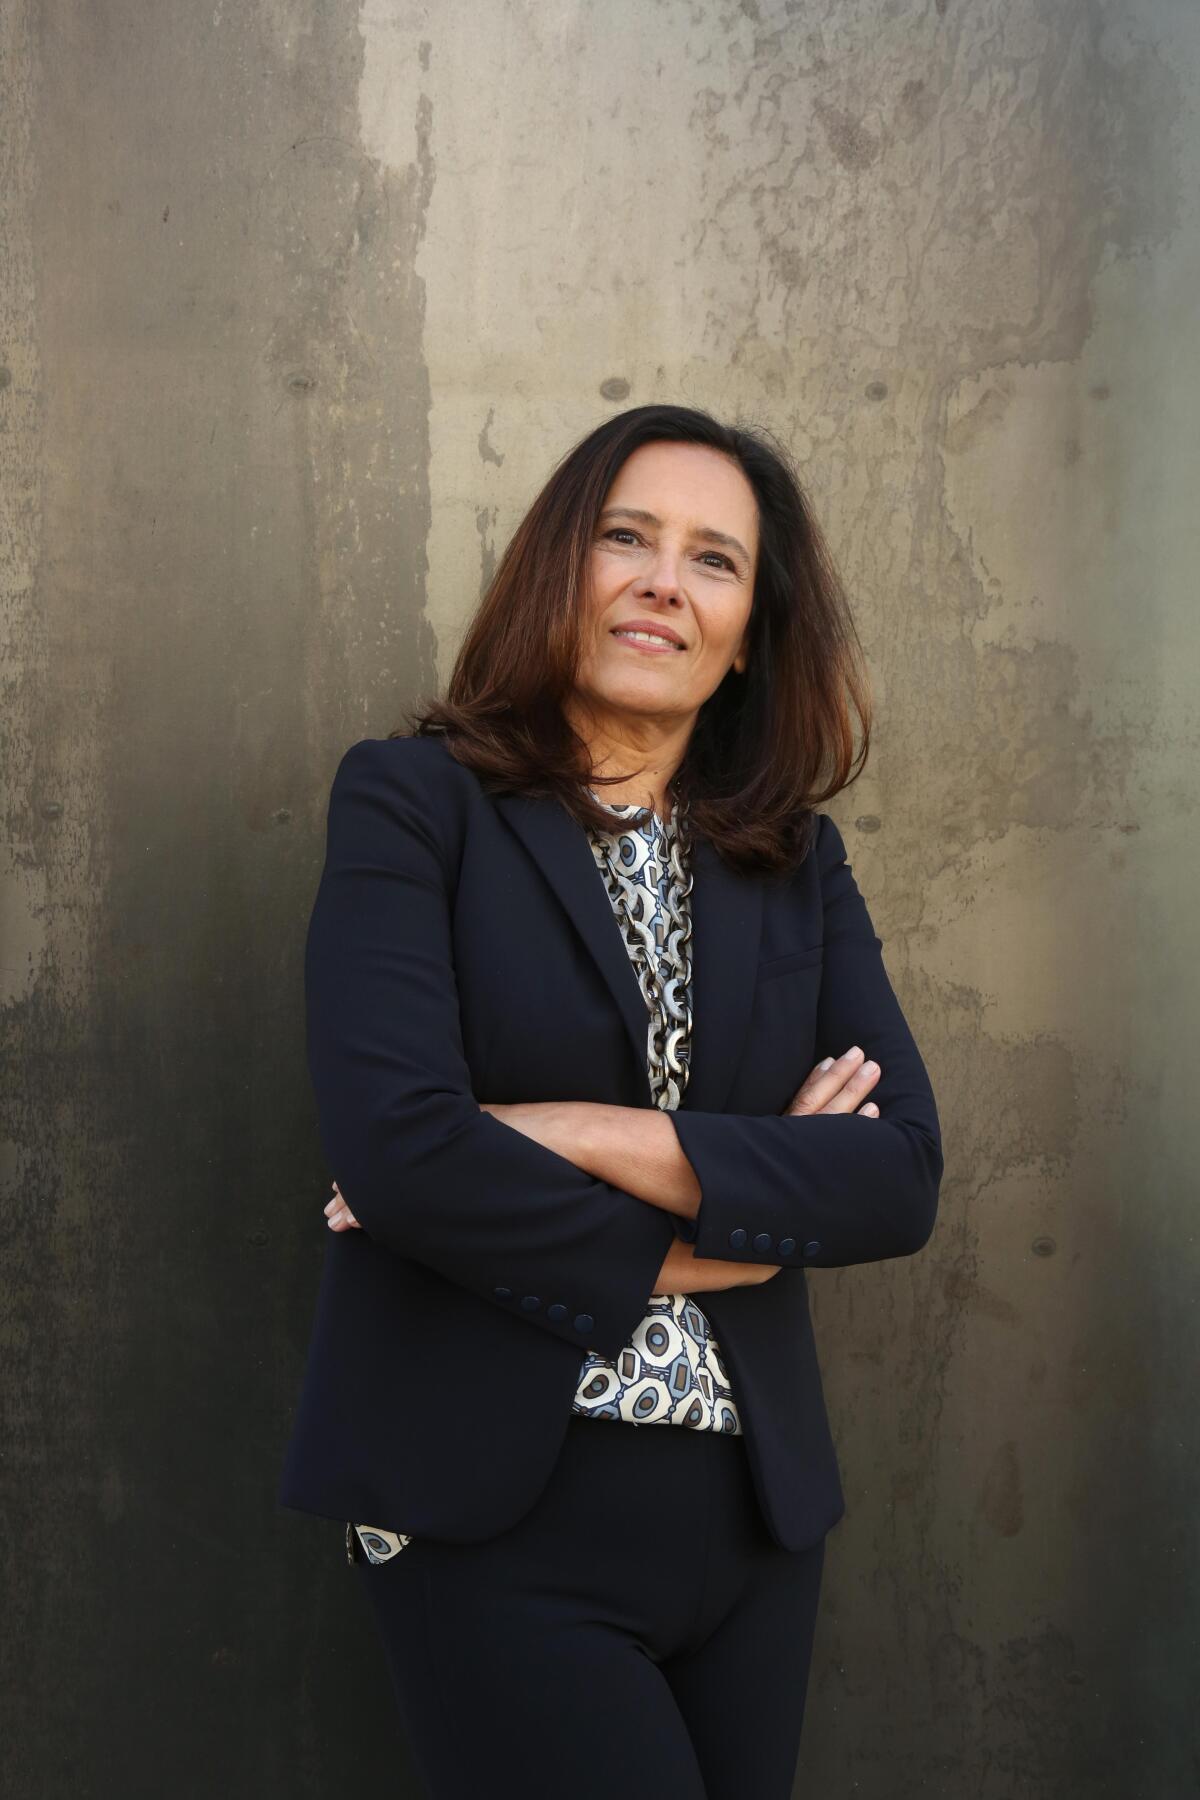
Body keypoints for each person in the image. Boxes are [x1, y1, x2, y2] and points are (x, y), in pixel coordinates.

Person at [278, 403, 943, 1799]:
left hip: (753, 1529)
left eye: (715, 560)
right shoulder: (412, 807)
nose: (663, 582)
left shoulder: (794, 866)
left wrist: (555, 1129)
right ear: (557, 567)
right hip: (492, 1508)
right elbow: (400, 1155)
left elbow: (896, 1176)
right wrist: (744, 1223)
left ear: (750, 628)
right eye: (627, 537)